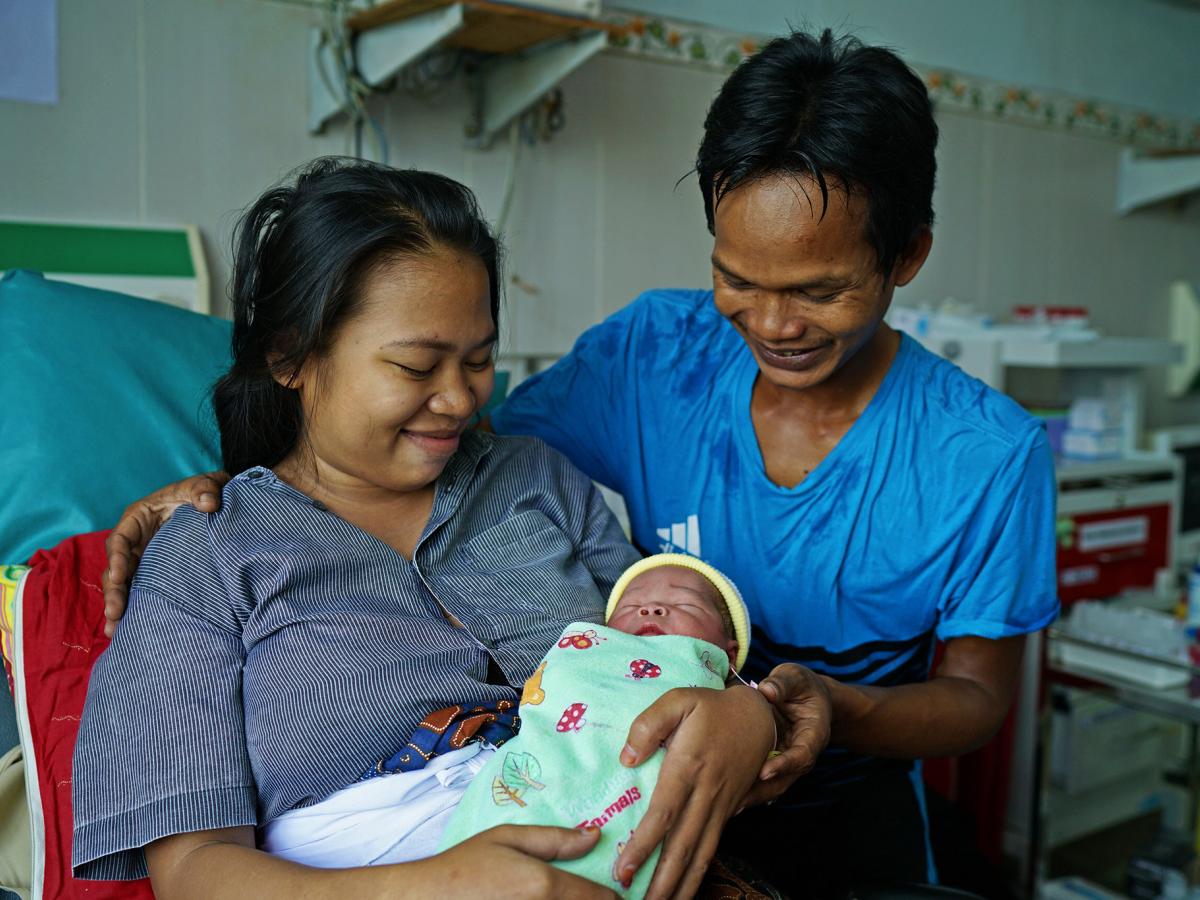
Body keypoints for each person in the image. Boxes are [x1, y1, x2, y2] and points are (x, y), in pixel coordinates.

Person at [103, 29, 1059, 897]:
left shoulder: (984, 454)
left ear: (908, 257)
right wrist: (224, 483)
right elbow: (398, 447)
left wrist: (769, 711)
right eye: (736, 278)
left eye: (820, 289)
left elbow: (974, 699)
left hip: (813, 812)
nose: (771, 324)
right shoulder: (647, 357)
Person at [72, 158, 776, 900]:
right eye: (416, 366)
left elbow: (674, 648)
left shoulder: (537, 478)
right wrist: (432, 887)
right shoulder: (207, 556)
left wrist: (748, 715)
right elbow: (191, 870)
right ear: (290, 354)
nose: (457, 399)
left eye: (478, 360)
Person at [261, 553, 751, 897]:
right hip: (476, 808)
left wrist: (753, 712)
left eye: (685, 604)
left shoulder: (542, 477)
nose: (650, 608)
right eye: (631, 604)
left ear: (729, 653)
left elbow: (757, 739)